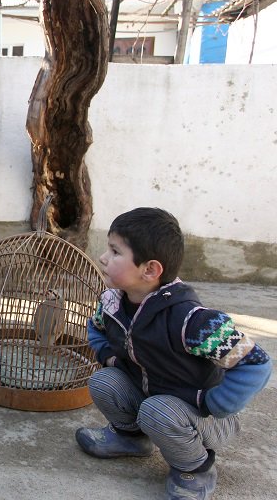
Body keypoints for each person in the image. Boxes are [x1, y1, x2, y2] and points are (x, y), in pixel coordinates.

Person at [76, 207, 272, 500]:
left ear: (150, 270)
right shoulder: (112, 302)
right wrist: (108, 356)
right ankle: (131, 439)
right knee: (104, 380)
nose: (103, 257)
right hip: (152, 396)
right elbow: (96, 327)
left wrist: (215, 403)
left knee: (158, 411)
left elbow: (256, 364)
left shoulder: (193, 321)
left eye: (115, 251)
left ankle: (194, 467)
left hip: (202, 415)